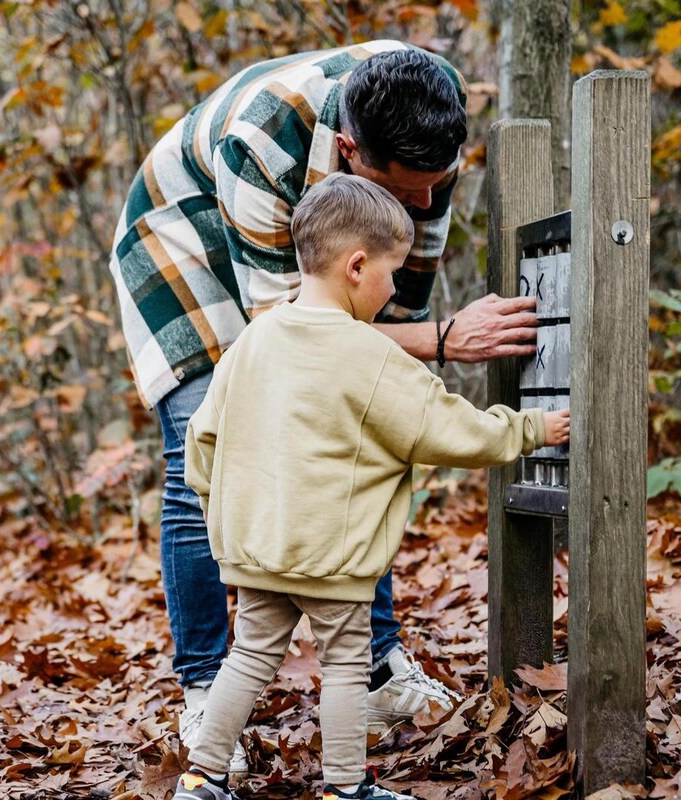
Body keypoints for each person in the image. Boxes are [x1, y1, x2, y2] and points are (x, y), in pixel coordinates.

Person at [108, 41, 540, 772]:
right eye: (408, 189)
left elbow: (392, 304)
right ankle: (207, 693)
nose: (428, 202)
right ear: (348, 148)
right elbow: (289, 333)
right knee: (196, 444)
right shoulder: (264, 140)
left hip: (301, 256)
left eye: (435, 185)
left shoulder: (426, 130)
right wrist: (440, 341)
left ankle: (374, 669)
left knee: (353, 431)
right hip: (184, 241)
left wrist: (408, 361)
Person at [171, 174, 571, 800]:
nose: (393, 290)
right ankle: (344, 787)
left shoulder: (253, 341)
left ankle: (202, 776)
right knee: (346, 664)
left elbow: (202, 440)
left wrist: (228, 515)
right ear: (357, 266)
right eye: (391, 273)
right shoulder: (368, 354)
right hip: (334, 557)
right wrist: (528, 428)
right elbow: (445, 427)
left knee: (247, 657)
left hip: (257, 550)